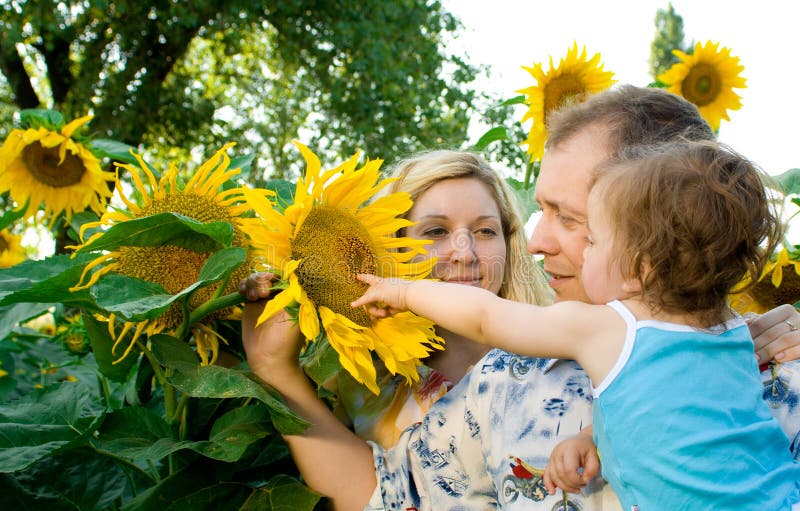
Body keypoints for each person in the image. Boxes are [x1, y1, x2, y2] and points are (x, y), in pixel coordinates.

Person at [241, 85, 800, 511]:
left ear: (661, 232)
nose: (534, 241)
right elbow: (385, 494)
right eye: (539, 210)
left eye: (571, 217)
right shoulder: (511, 377)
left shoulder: (780, 370)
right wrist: (274, 371)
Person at [352, 140, 800, 509]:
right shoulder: (734, 334)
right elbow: (686, 415)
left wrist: (403, 291)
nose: (581, 251)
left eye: (595, 239)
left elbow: (487, 318)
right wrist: (592, 438)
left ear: (638, 267)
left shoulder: (602, 329)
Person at [241, 149, 552, 448]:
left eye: (485, 231)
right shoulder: (361, 380)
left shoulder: (556, 353)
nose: (465, 253)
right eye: (436, 231)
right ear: (392, 249)